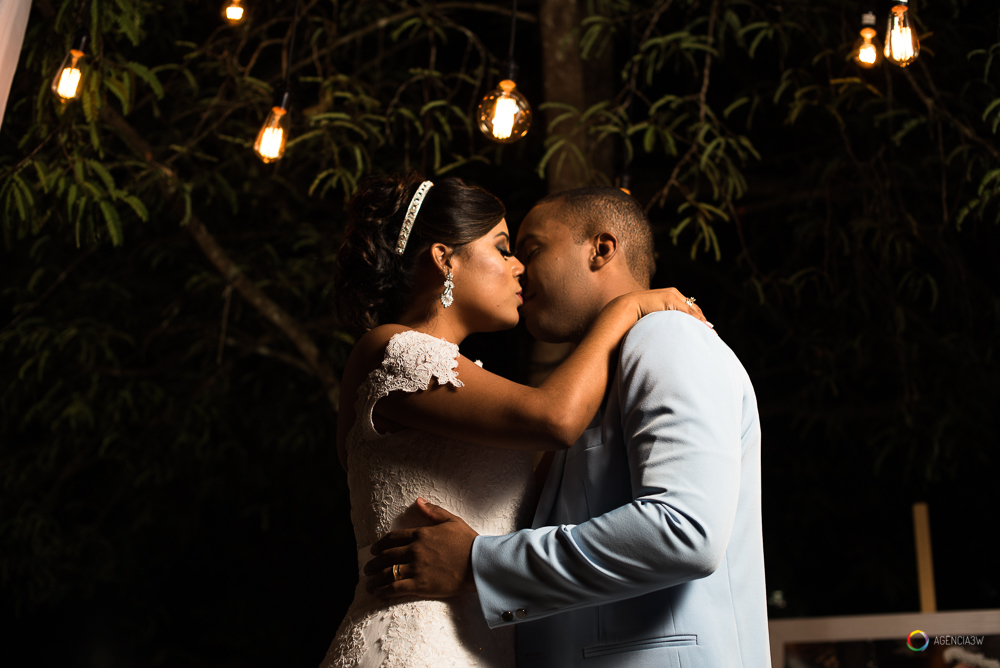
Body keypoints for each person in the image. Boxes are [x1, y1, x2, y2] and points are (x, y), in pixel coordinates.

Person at [363, 186, 770, 668]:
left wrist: (479, 563)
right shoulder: (586, 382)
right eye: (506, 251)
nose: (520, 268)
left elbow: (686, 532)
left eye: (531, 249)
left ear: (601, 249)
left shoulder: (667, 334)